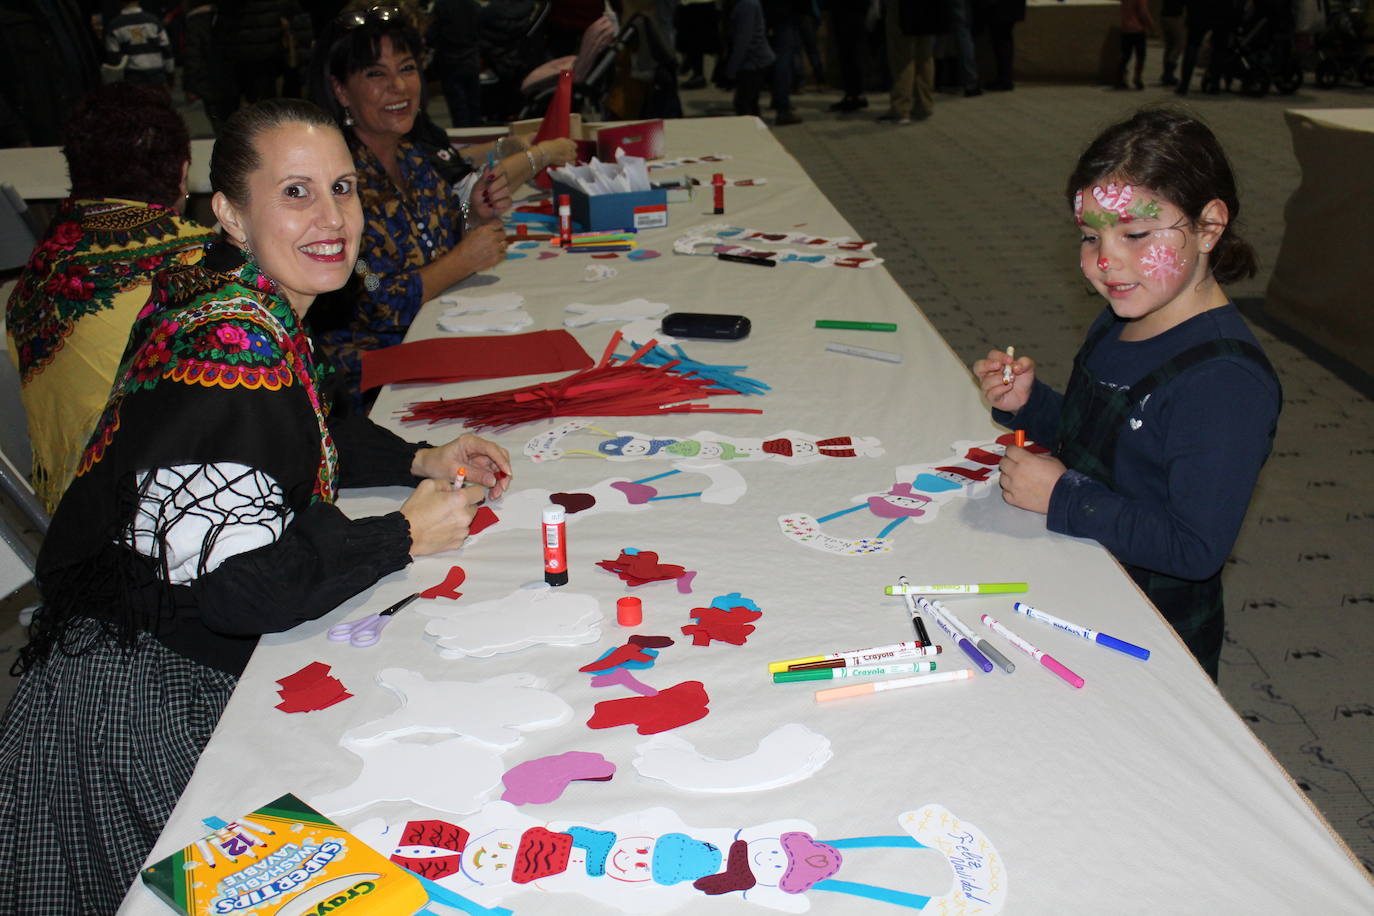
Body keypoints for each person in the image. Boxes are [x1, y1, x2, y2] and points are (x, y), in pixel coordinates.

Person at [0, 97, 514, 914]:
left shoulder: (227, 291)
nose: (332, 217)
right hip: (140, 707)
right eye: (296, 193)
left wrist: (417, 455)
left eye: (342, 189)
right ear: (232, 213)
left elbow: (291, 426)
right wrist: (401, 531)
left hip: (126, 653)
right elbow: (243, 591)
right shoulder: (230, 341)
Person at [973, 108, 1281, 681]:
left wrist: (1062, 495)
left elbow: (1194, 547)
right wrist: (1031, 404)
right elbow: (1100, 443)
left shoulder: (1224, 384)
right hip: (1083, 577)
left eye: (1136, 234)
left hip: (1147, 634)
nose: (1105, 261)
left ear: (1209, 227)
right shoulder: (1119, 321)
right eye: (1090, 236)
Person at [307, 2, 577, 402]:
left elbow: (440, 240)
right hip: (371, 380)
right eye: (376, 74)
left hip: (434, 336)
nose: (398, 87)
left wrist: (473, 217)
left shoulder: (414, 158)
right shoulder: (335, 187)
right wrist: (464, 259)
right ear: (341, 90)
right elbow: (378, 298)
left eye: (407, 68)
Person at [5, 84, 217, 515]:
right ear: (182, 172)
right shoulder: (209, 266)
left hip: (71, 522)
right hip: (187, 526)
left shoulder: (36, 276)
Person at [878, 0, 950, 123]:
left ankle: (900, 109)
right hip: (929, 8)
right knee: (925, 57)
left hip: (903, 8)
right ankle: (924, 106)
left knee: (902, 58)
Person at [722, 0, 776, 116]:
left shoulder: (747, 5)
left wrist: (731, 69)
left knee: (744, 104)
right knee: (750, 103)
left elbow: (743, 41)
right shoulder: (747, 4)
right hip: (754, 61)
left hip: (754, 62)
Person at [104, 0, 175, 87]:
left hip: (131, 80)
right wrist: (170, 74)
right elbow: (166, 50)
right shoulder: (154, 21)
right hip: (157, 78)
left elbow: (114, 59)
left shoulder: (114, 26)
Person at [1117, 0, 1153, 89]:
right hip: (1138, 29)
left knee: (1125, 56)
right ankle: (1137, 78)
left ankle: (1120, 78)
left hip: (1125, 28)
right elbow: (1143, 13)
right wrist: (1151, 26)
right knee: (1140, 56)